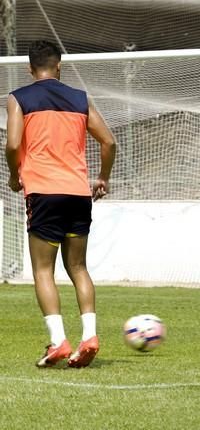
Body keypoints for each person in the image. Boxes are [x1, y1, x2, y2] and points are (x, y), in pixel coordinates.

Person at [5, 40, 117, 367]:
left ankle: (58, 342)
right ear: (59, 66)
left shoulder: (19, 98)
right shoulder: (79, 99)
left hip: (43, 192)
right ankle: (90, 336)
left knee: (43, 269)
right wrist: (103, 178)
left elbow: (12, 144)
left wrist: (14, 176)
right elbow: (109, 141)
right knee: (78, 267)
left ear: (30, 68)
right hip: (78, 192)